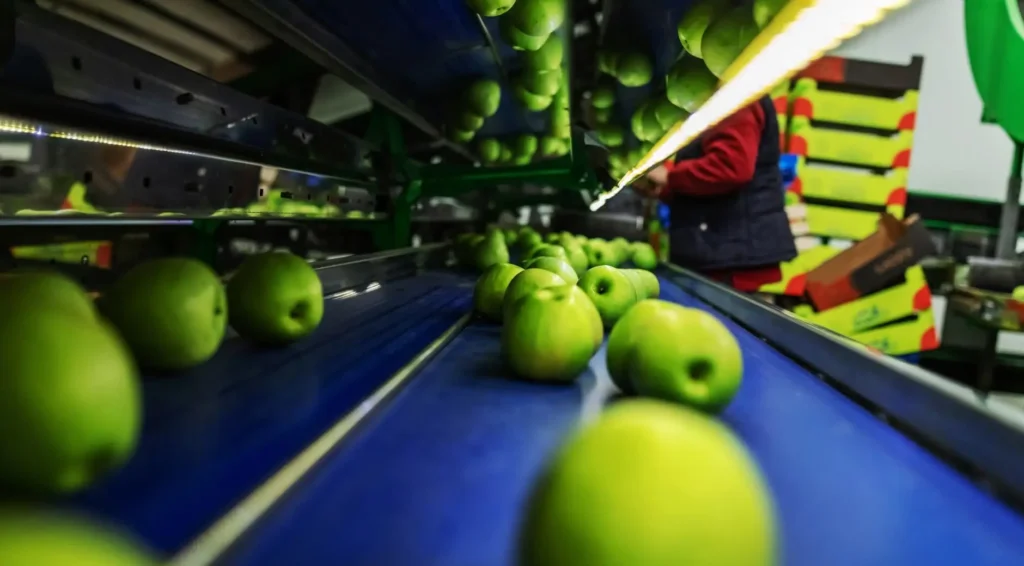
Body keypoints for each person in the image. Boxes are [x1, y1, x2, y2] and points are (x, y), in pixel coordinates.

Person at [633, 95, 796, 292]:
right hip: (723, 248)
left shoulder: (734, 94)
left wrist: (670, 177)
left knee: (728, 319)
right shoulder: (718, 96)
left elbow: (731, 167)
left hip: (730, 253)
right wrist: (665, 188)